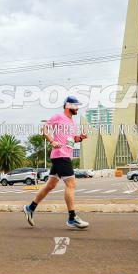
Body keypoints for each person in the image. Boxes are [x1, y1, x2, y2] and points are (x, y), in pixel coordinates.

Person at [23, 96, 89, 229]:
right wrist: (52, 141)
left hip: (65, 155)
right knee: (71, 184)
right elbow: (45, 129)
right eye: (76, 106)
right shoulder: (58, 117)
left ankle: (30, 208)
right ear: (68, 106)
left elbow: (71, 140)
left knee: (50, 186)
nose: (77, 109)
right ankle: (72, 218)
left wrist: (80, 138)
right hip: (60, 155)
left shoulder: (72, 123)